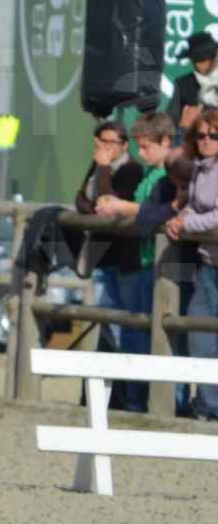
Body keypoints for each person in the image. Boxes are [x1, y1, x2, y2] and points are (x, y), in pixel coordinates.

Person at [94, 111, 181, 413]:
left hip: (163, 263)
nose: (140, 153)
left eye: (146, 147)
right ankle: (139, 400)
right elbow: (147, 209)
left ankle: (166, 403)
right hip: (146, 260)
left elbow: (154, 209)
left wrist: (121, 207)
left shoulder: (170, 173)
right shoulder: (149, 173)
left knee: (162, 334)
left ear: (166, 141)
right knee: (140, 331)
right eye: (139, 147)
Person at [162, 108, 218, 420]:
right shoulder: (199, 168)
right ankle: (211, 406)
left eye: (214, 134)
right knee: (200, 338)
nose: (207, 140)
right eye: (201, 135)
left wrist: (187, 222)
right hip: (208, 263)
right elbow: (172, 163)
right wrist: (182, 217)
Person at [73, 121, 145, 350]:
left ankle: (127, 381)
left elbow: (108, 204)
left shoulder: (131, 169)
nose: (105, 147)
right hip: (101, 255)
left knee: (125, 322)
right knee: (106, 320)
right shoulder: (98, 166)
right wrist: (101, 169)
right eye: (101, 141)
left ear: (124, 146)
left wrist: (103, 168)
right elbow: (82, 199)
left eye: (111, 142)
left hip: (123, 257)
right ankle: (112, 383)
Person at [166, 29, 218, 143]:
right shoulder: (183, 84)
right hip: (193, 147)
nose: (201, 64)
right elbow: (170, 124)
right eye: (197, 59)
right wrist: (184, 126)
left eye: (206, 57)